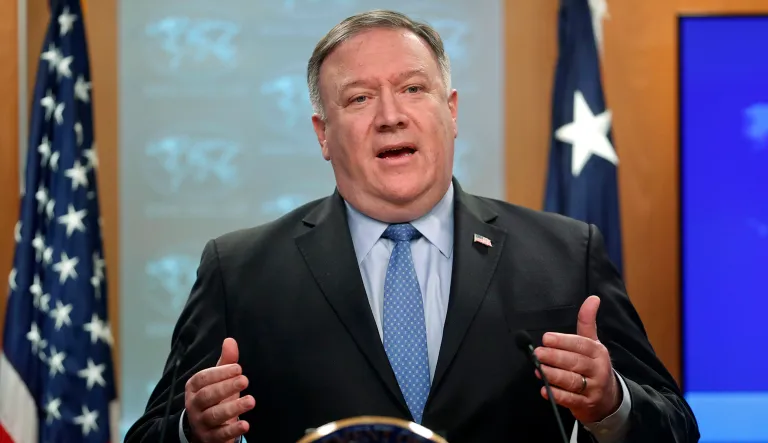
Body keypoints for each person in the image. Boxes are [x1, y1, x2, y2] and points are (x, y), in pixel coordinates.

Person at [124, 9, 699, 443]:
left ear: (450, 110)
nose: (390, 115)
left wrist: (612, 403)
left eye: (412, 89)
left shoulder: (565, 252)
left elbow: (677, 426)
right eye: (358, 98)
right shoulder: (240, 270)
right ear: (323, 135)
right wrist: (189, 429)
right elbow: (148, 435)